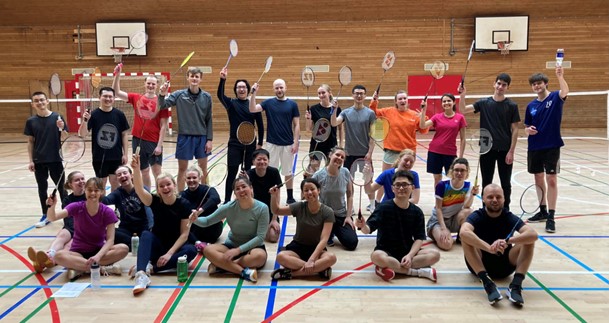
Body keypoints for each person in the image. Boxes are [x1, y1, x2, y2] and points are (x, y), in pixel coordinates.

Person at [460, 184, 538, 306]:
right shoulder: (477, 216)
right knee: (466, 238)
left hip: (505, 265)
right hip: (479, 264)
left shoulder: (509, 217)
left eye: (498, 197)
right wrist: (489, 248)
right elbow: (464, 232)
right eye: (490, 197)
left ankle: (516, 285)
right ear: (483, 199)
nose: (495, 200)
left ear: (504, 199)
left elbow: (533, 234)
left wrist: (507, 241)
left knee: (528, 240)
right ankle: (487, 283)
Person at [356, 170, 439, 282]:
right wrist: (363, 225)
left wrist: (410, 255)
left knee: (435, 254)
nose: (401, 188)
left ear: (412, 188)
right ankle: (417, 272)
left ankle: (389, 268)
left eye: (405, 184)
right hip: (386, 251)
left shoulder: (417, 212)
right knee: (376, 256)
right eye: (397, 185)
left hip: (407, 251)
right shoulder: (383, 207)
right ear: (392, 188)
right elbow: (367, 229)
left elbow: (419, 238)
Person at [129, 155, 197, 294]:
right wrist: (136, 169)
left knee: (191, 251)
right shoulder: (154, 201)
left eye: (168, 184)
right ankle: (141, 274)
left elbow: (184, 234)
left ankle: (152, 268)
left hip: (175, 249)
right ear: (158, 190)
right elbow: (139, 190)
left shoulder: (184, 204)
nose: (165, 188)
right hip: (157, 246)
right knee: (146, 234)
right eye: (161, 186)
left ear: (174, 185)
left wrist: (169, 254)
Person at [46, 177, 129, 281]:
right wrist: (51, 206)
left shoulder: (107, 212)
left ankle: (80, 268)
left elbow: (110, 240)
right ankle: (97, 268)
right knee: (58, 256)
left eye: (96, 190)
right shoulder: (76, 207)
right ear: (85, 191)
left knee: (123, 248)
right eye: (89, 190)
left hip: (98, 250)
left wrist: (98, 256)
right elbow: (52, 217)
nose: (92, 193)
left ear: (102, 192)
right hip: (78, 252)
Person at [189, 176, 269, 283]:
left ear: (251, 188)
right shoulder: (229, 207)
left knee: (259, 257)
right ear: (234, 193)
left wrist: (238, 251)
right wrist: (195, 219)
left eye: (244, 187)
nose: (241, 190)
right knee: (208, 250)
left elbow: (260, 238)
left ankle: (222, 265)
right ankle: (243, 272)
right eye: (237, 188)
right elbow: (207, 221)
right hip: (231, 245)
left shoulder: (262, 208)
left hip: (253, 247)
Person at [459, 74, 520, 209]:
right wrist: (463, 95)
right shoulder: (484, 103)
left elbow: (515, 130)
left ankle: (505, 210)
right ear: (494, 84)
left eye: (504, 85)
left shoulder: (512, 106)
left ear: (508, 87)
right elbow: (462, 110)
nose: (500, 87)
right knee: (486, 182)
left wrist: (511, 151)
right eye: (498, 83)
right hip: (486, 149)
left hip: (505, 150)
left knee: (506, 183)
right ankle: (486, 209)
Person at [524, 66, 569, 233]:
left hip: (551, 145)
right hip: (535, 146)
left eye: (539, 83)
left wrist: (560, 76)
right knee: (538, 178)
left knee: (551, 180)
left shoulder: (556, 97)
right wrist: (527, 131)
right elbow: (527, 126)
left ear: (545, 84)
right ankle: (542, 210)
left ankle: (551, 216)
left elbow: (565, 90)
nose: (537, 86)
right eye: (534, 84)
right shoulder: (531, 106)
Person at [112, 64, 169, 189]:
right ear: (145, 84)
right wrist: (117, 75)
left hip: (154, 142)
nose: (150, 86)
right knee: (144, 171)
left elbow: (164, 125)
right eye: (148, 83)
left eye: (153, 84)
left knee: (157, 173)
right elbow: (116, 92)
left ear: (157, 86)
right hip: (138, 140)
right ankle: (147, 196)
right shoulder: (136, 98)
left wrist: (159, 145)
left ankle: (160, 197)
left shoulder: (162, 102)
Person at [269, 178, 336, 280]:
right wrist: (273, 196)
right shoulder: (299, 206)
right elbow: (276, 210)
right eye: (306, 190)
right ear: (303, 193)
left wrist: (312, 259)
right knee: (280, 257)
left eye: (312, 189)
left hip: (317, 249)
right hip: (298, 248)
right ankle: (319, 270)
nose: (309, 192)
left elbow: (324, 239)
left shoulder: (328, 212)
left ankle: (292, 274)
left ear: (318, 190)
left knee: (331, 258)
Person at [158, 67, 213, 191]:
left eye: (196, 76)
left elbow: (209, 119)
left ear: (200, 79)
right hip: (185, 137)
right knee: (182, 169)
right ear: (187, 78)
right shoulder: (178, 95)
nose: (194, 78)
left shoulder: (207, 97)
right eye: (192, 76)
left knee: (203, 169)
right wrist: (162, 94)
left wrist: (209, 139)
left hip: (202, 137)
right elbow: (162, 105)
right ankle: (180, 196)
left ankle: (204, 195)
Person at [370, 90, 429, 201]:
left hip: (407, 153)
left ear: (407, 100)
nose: (403, 100)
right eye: (400, 99)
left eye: (404, 98)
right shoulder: (388, 111)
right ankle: (377, 201)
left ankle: (404, 199)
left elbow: (423, 129)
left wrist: (423, 115)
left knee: (404, 178)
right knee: (385, 177)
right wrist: (374, 100)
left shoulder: (414, 115)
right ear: (396, 101)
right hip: (391, 150)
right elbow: (373, 112)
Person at [217, 67, 264, 203]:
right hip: (234, 144)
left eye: (244, 87)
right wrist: (222, 79)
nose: (241, 89)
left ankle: (247, 198)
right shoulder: (231, 104)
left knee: (248, 173)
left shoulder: (253, 105)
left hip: (250, 144)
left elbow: (260, 126)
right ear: (236, 90)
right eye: (239, 87)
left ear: (248, 89)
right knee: (232, 173)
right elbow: (220, 95)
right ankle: (226, 200)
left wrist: (259, 143)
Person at [249, 79, 300, 204]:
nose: (279, 90)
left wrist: (296, 142)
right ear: (274, 89)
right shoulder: (268, 103)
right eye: (276, 88)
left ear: (285, 88)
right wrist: (253, 93)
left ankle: (290, 196)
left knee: (288, 172)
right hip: (272, 144)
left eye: (281, 87)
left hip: (288, 144)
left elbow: (297, 124)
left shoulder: (292, 104)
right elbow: (252, 109)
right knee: (271, 171)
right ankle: (271, 195)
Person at [24, 91, 68, 228]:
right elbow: (30, 141)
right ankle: (46, 215)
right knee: (42, 189)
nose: (40, 102)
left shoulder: (57, 117)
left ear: (47, 101)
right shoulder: (31, 121)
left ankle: (68, 215)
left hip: (55, 159)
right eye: (36, 101)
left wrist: (62, 128)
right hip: (39, 160)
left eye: (42, 100)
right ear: (33, 104)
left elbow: (66, 136)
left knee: (62, 188)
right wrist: (31, 160)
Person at [28, 171, 86, 273]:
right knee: (62, 235)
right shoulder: (67, 200)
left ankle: (46, 262)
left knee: (68, 245)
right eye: (77, 180)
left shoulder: (89, 196)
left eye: (82, 178)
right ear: (70, 184)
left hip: (84, 229)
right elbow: (54, 217)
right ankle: (48, 255)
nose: (81, 181)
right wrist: (51, 205)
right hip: (70, 227)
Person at [331, 85, 376, 211]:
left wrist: (370, 152)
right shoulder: (345, 112)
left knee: (368, 180)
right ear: (352, 95)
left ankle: (372, 205)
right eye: (356, 93)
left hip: (364, 154)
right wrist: (334, 110)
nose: (359, 96)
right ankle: (349, 207)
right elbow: (334, 123)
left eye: (361, 93)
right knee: (348, 182)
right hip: (349, 154)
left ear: (365, 96)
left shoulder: (370, 113)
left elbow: (373, 136)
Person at [78, 87, 130, 191]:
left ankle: (116, 207)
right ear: (99, 98)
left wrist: (125, 154)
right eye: (105, 96)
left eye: (110, 96)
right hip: (99, 156)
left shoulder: (119, 115)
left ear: (114, 98)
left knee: (115, 182)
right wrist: (85, 121)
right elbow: (82, 134)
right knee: (101, 184)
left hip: (116, 155)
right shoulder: (93, 115)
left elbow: (124, 135)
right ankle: (101, 207)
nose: (108, 99)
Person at [427, 158, 479, 251]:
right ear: (452, 171)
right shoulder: (442, 185)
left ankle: (461, 236)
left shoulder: (468, 186)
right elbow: (438, 208)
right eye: (457, 170)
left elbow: (466, 206)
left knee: (469, 211)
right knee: (446, 245)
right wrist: (443, 228)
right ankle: (434, 232)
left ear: (467, 172)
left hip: (454, 220)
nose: (459, 173)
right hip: (439, 221)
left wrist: (472, 194)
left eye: (462, 170)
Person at [311, 147, 357, 250]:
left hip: (341, 215)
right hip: (324, 215)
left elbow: (350, 195)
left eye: (342, 157)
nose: (339, 158)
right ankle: (329, 230)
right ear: (330, 155)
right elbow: (307, 196)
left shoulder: (345, 172)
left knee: (352, 243)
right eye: (337, 155)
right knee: (313, 239)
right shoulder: (319, 175)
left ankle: (333, 230)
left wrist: (348, 216)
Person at [420, 93, 467, 188]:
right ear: (442, 104)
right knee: (437, 178)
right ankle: (438, 201)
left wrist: (460, 157)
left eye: (449, 100)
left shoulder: (460, 118)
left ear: (454, 102)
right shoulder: (437, 117)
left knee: (454, 178)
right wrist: (423, 111)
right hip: (434, 151)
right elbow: (422, 126)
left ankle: (451, 201)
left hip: (450, 153)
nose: (446, 103)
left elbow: (463, 139)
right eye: (444, 101)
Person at [102, 166, 151, 250]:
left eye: (125, 173)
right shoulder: (117, 193)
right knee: (106, 233)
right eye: (119, 175)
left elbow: (149, 210)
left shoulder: (142, 189)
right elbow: (105, 201)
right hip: (126, 229)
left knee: (150, 235)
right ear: (117, 179)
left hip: (143, 228)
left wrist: (151, 226)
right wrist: (95, 192)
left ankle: (133, 244)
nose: (122, 176)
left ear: (131, 175)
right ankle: (136, 244)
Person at [244, 149, 282, 242]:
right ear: (253, 161)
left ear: (268, 161)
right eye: (259, 159)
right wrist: (246, 183)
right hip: (254, 212)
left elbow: (277, 197)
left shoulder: (274, 172)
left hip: (270, 211)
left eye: (264, 159)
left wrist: (274, 219)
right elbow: (246, 199)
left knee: (273, 237)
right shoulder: (248, 174)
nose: (262, 162)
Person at [181, 165, 222, 252]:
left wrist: (200, 210)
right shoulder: (182, 195)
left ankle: (199, 244)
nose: (191, 180)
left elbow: (216, 198)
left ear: (199, 178)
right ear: (185, 179)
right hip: (195, 231)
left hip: (212, 229)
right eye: (189, 178)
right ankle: (198, 243)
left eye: (194, 177)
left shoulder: (208, 190)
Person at [305, 84, 343, 155]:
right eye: (319, 93)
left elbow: (340, 129)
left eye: (323, 92)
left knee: (331, 166)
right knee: (314, 166)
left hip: (331, 143)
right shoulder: (313, 109)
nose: (321, 95)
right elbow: (308, 129)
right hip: (316, 143)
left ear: (329, 93)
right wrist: (308, 119)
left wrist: (341, 144)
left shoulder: (336, 109)